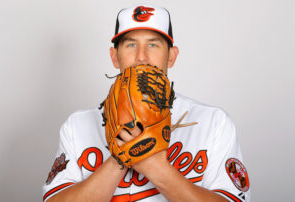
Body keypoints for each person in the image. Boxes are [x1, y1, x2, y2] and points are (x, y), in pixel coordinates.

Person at [43, 4, 251, 202]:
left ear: (171, 56)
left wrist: (152, 164)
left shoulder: (212, 123)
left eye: (153, 44)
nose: (141, 57)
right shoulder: (78, 125)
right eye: (131, 44)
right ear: (115, 57)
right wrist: (120, 158)